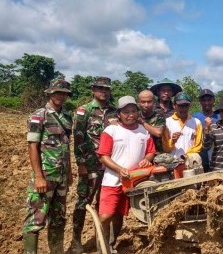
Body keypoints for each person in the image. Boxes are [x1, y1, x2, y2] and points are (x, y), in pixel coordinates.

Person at [97, 96, 156, 253]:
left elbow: (151, 152)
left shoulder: (144, 131)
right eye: (126, 112)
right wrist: (118, 169)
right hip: (113, 180)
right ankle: (102, 246)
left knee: (119, 215)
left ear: (137, 113)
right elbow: (103, 156)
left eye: (133, 111)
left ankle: (111, 243)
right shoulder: (111, 130)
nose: (130, 114)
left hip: (135, 181)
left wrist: (146, 159)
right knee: (105, 216)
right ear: (119, 114)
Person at [22, 78, 73, 254]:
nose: (61, 96)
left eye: (64, 93)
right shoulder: (39, 116)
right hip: (45, 175)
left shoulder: (67, 117)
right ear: (50, 93)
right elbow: (32, 146)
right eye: (57, 92)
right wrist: (38, 176)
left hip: (61, 177)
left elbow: (66, 147)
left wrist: (69, 172)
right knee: (35, 220)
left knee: (59, 218)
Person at [71, 77, 118, 252]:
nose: (103, 92)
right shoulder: (84, 111)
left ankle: (103, 241)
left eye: (106, 89)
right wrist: (80, 163)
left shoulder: (115, 112)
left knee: (104, 203)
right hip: (90, 166)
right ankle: (76, 240)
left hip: (110, 167)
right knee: (83, 202)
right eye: (100, 89)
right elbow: (78, 138)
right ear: (93, 90)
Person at [162, 92, 203, 159]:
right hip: (173, 163)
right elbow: (166, 148)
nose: (184, 109)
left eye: (186, 105)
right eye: (180, 106)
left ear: (190, 106)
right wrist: (173, 141)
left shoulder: (197, 122)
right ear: (174, 105)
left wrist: (186, 156)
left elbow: (198, 146)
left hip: (191, 162)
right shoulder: (167, 123)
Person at [192, 89, 220, 172]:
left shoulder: (219, 116)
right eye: (204, 100)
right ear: (200, 102)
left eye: (209, 100)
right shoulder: (195, 117)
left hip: (217, 157)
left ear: (213, 100)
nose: (207, 103)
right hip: (201, 157)